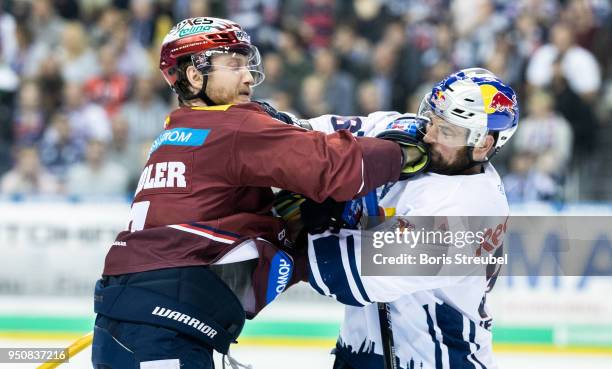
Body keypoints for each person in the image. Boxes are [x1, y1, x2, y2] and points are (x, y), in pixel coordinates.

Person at [91, 17, 425, 369]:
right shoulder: (233, 126)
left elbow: (213, 237)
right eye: (234, 64)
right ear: (193, 75)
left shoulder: (175, 133)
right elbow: (336, 168)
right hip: (159, 337)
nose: (249, 76)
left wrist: (282, 230)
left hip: (131, 325)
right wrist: (406, 152)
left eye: (248, 64)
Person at [286, 68, 519, 369]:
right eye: (432, 119)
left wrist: (294, 225)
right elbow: (317, 133)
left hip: (438, 361)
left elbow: (349, 274)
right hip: (360, 353)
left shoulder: (471, 211)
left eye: (446, 131)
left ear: (483, 145)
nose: (429, 135)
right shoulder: (413, 132)